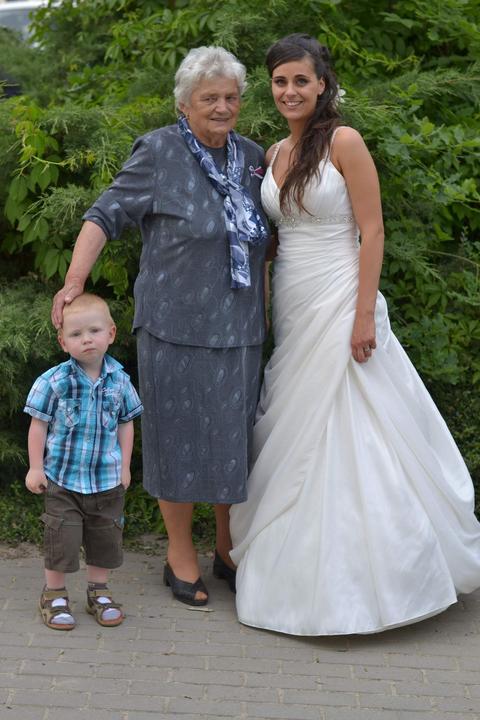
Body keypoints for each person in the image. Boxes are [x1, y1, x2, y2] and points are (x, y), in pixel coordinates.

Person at [229, 33, 480, 636]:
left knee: (356, 415)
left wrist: (365, 314)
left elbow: (373, 231)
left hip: (343, 294)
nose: (290, 91)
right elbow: (276, 239)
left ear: (323, 84)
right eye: (280, 81)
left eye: (301, 80)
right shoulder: (275, 150)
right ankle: (293, 568)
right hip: (295, 298)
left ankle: (384, 579)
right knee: (297, 419)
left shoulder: (344, 141)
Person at [51, 46, 269, 606]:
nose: (222, 107)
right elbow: (105, 214)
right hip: (174, 325)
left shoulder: (252, 157)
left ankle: (227, 549)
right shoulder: (159, 151)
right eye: (209, 97)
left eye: (231, 97)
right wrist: (74, 281)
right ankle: (179, 554)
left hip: (240, 328)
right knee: (178, 440)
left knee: (232, 443)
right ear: (183, 103)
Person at [24, 293, 143, 630]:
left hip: (106, 480)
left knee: (104, 538)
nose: (86, 339)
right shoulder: (54, 381)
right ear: (63, 342)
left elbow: (126, 424)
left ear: (111, 333)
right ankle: (54, 594)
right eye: (76, 334)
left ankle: (98, 592)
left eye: (94, 331)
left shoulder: (121, 381)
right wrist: (35, 467)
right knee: (60, 539)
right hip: (62, 479)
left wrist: (124, 467)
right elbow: (38, 425)